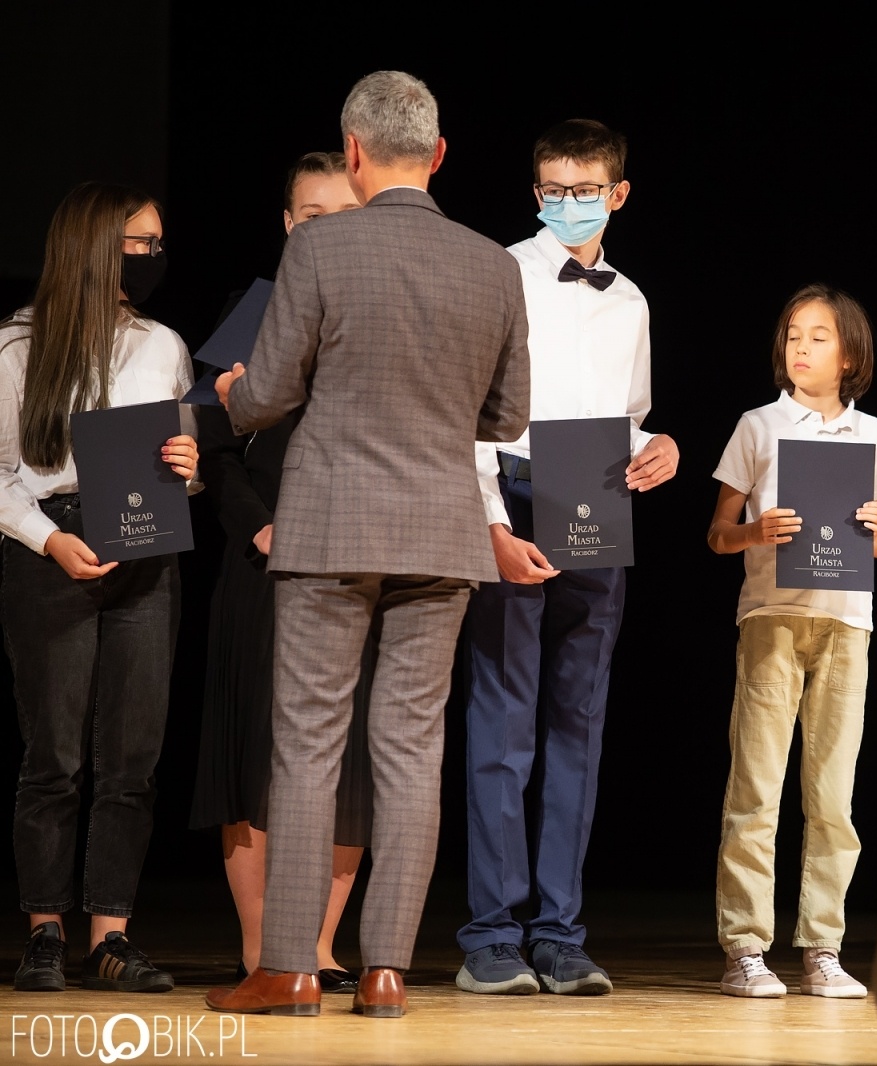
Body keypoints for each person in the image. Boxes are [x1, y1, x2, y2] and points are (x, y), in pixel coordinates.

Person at [205, 70, 531, 1019]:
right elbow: (506, 413)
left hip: (332, 521)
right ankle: (384, 967)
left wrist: (232, 397)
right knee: (411, 748)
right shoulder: (492, 263)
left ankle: (291, 967)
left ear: (351, 154)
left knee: (307, 745)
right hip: (440, 529)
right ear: (437, 156)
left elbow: (264, 396)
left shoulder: (320, 247)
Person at [455, 118, 677, 998]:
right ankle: (491, 934)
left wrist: (657, 447)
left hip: (595, 497)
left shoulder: (631, 301)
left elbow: (630, 415)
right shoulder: (501, 272)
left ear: (618, 195)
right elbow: (469, 407)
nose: (569, 202)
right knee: (502, 721)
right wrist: (489, 525)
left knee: (578, 723)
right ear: (534, 190)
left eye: (586, 189)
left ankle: (560, 932)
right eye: (554, 187)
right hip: (512, 489)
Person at [1, 182, 198, 992]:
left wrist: (187, 473)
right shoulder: (18, 345)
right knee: (53, 754)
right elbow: (4, 475)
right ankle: (46, 925)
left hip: (146, 558)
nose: (153, 257)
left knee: (131, 757)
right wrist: (51, 539)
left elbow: (180, 469)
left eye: (157, 244)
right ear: (94, 246)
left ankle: (109, 932)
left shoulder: (162, 345)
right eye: (140, 242)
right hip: (55, 546)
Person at [188, 152, 368, 994]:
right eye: (311, 215)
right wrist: (259, 530)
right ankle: (265, 951)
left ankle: (324, 947)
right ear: (289, 225)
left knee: (353, 761)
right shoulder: (249, 315)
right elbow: (212, 456)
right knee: (254, 752)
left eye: (343, 213)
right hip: (261, 567)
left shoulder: (380, 313)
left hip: (355, 562)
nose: (325, 228)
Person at [706, 284, 877, 998]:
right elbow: (717, 533)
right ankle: (746, 947)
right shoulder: (758, 425)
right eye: (793, 335)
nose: (802, 348)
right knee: (756, 786)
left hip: (847, 625)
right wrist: (758, 531)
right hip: (772, 618)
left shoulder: (871, 433)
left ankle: (823, 945)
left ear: (849, 355)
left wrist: (875, 527)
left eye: (818, 337)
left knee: (833, 794)